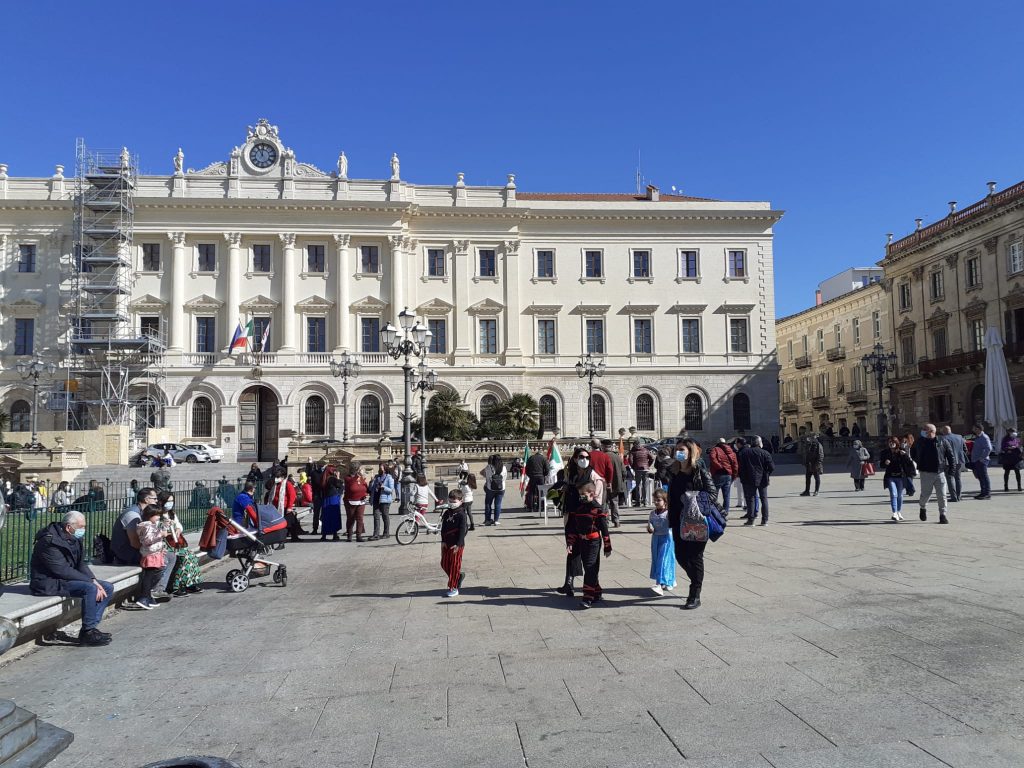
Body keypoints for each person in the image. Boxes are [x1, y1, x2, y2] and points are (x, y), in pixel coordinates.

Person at [30, 510, 114, 646]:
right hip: (48, 582)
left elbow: (80, 564)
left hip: (64, 579)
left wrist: (94, 579)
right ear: (69, 527)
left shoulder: (74, 539)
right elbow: (61, 570)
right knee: (90, 589)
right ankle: (88, 632)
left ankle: (89, 628)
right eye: (81, 527)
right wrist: (91, 582)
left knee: (107, 587)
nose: (84, 530)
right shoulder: (48, 542)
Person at [667, 438, 714, 609]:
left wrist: (694, 500)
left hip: (697, 520)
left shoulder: (699, 470)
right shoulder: (674, 470)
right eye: (677, 449)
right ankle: (696, 578)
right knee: (680, 556)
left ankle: (695, 593)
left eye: (682, 449)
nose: (678, 452)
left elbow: (712, 493)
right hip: (678, 520)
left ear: (690, 452)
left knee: (695, 557)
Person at [111, 487, 176, 602]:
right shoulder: (132, 515)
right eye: (155, 498)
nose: (157, 501)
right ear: (146, 499)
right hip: (126, 551)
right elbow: (135, 543)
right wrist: (156, 551)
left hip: (143, 548)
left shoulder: (145, 513)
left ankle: (158, 589)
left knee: (171, 556)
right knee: (162, 560)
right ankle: (147, 593)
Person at [555, 447, 604, 598]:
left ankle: (595, 588)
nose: (585, 460)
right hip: (572, 518)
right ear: (575, 459)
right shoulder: (571, 475)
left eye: (587, 457)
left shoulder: (595, 477)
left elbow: (598, 502)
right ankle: (569, 583)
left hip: (587, 522)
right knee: (572, 550)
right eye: (581, 457)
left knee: (589, 558)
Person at [564, 481, 611, 609]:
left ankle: (588, 597)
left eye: (583, 495)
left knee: (590, 568)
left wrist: (607, 546)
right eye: (580, 495)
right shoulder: (579, 509)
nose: (581, 497)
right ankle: (597, 592)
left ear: (592, 494)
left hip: (594, 542)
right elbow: (574, 527)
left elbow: (604, 530)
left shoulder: (598, 509)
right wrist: (570, 542)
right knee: (589, 567)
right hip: (582, 541)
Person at [157, 490, 203, 596]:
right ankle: (175, 586)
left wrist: (178, 529)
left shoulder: (171, 513)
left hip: (176, 542)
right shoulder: (158, 514)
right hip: (166, 544)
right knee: (183, 558)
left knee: (191, 556)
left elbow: (179, 525)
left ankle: (189, 583)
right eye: (168, 501)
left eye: (172, 501)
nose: (170, 503)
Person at [910, 423, 955, 524]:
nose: (922, 431)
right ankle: (923, 507)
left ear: (931, 432)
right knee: (926, 494)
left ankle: (943, 515)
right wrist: (920, 462)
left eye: (924, 429)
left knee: (942, 495)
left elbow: (950, 455)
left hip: (940, 472)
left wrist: (952, 469)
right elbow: (912, 453)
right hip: (926, 473)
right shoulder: (919, 441)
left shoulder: (943, 441)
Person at [135, 505, 169, 610]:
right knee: (149, 576)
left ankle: (148, 597)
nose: (158, 517)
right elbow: (148, 540)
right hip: (150, 554)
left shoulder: (152, 525)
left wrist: (165, 526)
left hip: (156, 552)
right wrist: (161, 534)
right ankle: (144, 597)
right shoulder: (146, 526)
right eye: (156, 515)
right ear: (150, 515)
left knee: (156, 573)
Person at [738, 436, 774, 525]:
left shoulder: (745, 453)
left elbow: (741, 467)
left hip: (749, 479)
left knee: (751, 499)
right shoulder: (765, 453)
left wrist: (743, 477)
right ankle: (764, 520)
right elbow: (772, 467)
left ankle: (751, 520)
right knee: (764, 499)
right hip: (763, 479)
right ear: (760, 443)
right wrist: (767, 474)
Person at [439, 488, 469, 598]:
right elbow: (443, 528)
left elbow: (463, 530)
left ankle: (454, 587)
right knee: (444, 563)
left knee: (454, 566)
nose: (451, 504)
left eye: (454, 502)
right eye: (450, 501)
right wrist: (442, 541)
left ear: (461, 501)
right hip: (446, 542)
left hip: (456, 544)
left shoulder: (462, 514)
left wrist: (459, 544)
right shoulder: (447, 513)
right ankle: (458, 576)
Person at [646, 488, 675, 596]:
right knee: (657, 560)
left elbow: (673, 524)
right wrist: (649, 528)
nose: (656, 502)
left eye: (659, 500)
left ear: (665, 501)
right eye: (655, 500)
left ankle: (659, 584)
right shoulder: (652, 513)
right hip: (655, 539)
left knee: (664, 561)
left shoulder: (668, 513)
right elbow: (650, 525)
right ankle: (668, 581)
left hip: (667, 539)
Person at [880, 436, 915, 521]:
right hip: (890, 477)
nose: (891, 444)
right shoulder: (885, 453)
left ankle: (899, 511)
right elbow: (881, 465)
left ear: (896, 443)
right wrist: (885, 463)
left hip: (900, 477)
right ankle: (894, 513)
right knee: (894, 494)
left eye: (893, 442)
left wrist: (905, 455)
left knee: (900, 495)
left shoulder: (901, 452)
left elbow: (909, 463)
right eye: (890, 442)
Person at [708, 438, 739, 514]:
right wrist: (734, 475)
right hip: (729, 474)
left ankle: (715, 510)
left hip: (718, 474)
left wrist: (719, 466)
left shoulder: (715, 449)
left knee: (715, 493)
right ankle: (726, 511)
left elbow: (712, 458)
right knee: (726, 494)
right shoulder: (731, 450)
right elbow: (735, 465)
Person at [600, 439, 626, 527]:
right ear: (611, 447)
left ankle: (606, 521)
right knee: (614, 502)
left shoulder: (602, 456)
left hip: (605, 483)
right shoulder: (617, 457)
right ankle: (616, 521)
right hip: (616, 483)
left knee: (605, 502)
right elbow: (624, 471)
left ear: (603, 447)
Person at [343, 462, 370, 542]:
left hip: (361, 501)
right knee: (351, 518)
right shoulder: (347, 478)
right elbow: (351, 484)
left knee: (360, 518)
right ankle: (349, 535)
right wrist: (358, 477)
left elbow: (365, 486)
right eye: (359, 468)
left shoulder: (360, 477)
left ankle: (359, 535)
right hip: (350, 501)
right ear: (356, 469)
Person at [369, 463, 396, 540]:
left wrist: (383, 487)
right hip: (376, 499)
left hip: (385, 500)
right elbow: (371, 489)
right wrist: (371, 482)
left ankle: (386, 533)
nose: (380, 469)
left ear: (385, 468)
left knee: (385, 516)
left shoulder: (389, 478)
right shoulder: (376, 477)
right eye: (379, 468)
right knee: (376, 517)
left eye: (381, 468)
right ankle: (376, 534)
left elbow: (391, 490)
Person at [941, 426, 966, 502]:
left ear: (944, 431)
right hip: (959, 460)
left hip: (948, 461)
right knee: (958, 478)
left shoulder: (943, 438)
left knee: (950, 478)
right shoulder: (959, 437)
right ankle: (959, 496)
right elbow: (965, 448)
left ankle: (953, 497)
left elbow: (942, 451)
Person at [481, 454, 507, 525]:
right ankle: (496, 520)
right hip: (501, 488)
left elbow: (486, 476)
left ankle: (488, 520)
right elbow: (504, 478)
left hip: (490, 488)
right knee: (498, 504)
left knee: (488, 504)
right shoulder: (504, 467)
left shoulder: (489, 467)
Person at [970, 424, 993, 500]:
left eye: (974, 429)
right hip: (977, 460)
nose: (973, 430)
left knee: (984, 477)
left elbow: (988, 448)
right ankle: (983, 492)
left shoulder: (984, 437)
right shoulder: (978, 437)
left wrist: (981, 458)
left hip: (982, 461)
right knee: (980, 477)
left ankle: (987, 493)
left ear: (979, 429)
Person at [525, 448, 551, 514]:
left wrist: (530, 475)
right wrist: (543, 475)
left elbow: (526, 469)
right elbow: (547, 469)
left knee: (531, 492)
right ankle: (541, 506)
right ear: (541, 453)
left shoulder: (531, 458)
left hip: (532, 477)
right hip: (541, 477)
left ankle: (530, 507)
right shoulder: (544, 459)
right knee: (541, 492)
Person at [322, 468, 343, 541]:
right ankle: (335, 534)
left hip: (325, 499)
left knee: (326, 517)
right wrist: (338, 478)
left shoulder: (324, 478)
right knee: (334, 516)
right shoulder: (332, 479)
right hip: (333, 499)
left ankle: (324, 535)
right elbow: (340, 486)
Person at [630, 441, 652, 506]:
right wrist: (648, 465)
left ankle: (638, 502)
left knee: (638, 486)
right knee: (645, 486)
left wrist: (633, 467)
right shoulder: (646, 450)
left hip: (637, 469)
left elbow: (630, 460)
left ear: (634, 445)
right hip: (646, 469)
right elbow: (652, 458)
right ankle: (645, 501)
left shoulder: (633, 451)